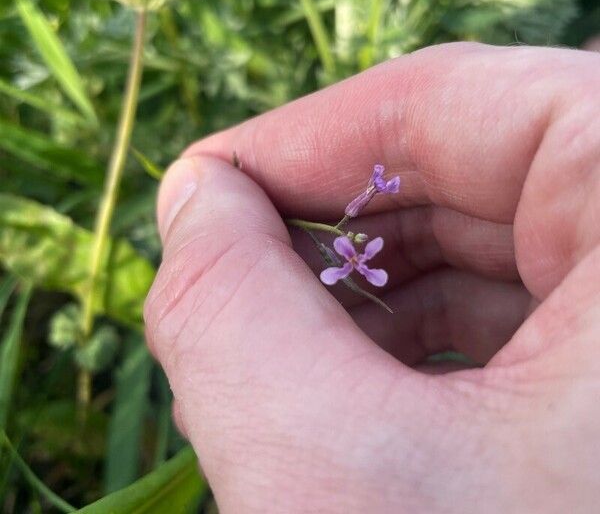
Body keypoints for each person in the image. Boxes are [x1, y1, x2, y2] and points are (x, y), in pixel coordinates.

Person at [144, 43, 600, 513]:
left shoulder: (348, 243)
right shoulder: (346, 240)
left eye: (355, 263)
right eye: (353, 262)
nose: (355, 263)